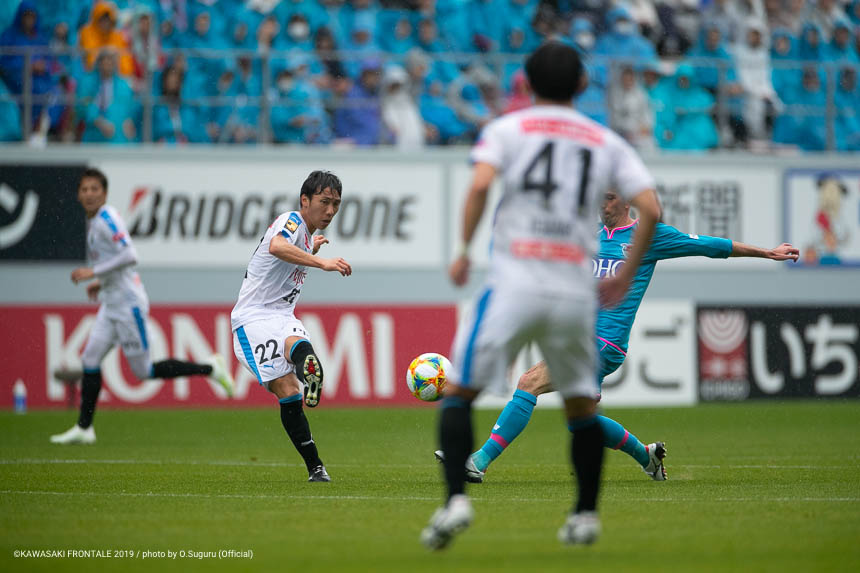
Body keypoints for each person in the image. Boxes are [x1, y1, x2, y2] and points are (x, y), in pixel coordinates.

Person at [420, 41, 662, 550]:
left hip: (515, 281)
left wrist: (462, 250)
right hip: (573, 292)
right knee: (581, 408)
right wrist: (625, 274)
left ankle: (457, 499)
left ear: (526, 84)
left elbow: (480, 186)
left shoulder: (507, 130)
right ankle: (585, 516)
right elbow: (652, 209)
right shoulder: (605, 141)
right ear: (582, 85)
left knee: (459, 392)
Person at [455, 190, 800, 484]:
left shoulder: (648, 236)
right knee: (582, 422)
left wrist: (766, 252)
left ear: (626, 202)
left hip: (605, 341)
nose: (601, 204)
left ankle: (478, 461)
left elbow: (710, 246)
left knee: (529, 382)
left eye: (608, 198)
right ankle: (647, 456)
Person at [50, 168, 235, 445]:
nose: (89, 194)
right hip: (110, 303)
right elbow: (117, 262)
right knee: (90, 359)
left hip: (128, 305)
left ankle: (210, 368)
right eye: (84, 189)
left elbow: (130, 255)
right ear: (78, 194)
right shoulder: (94, 222)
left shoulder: (107, 219)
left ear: (104, 193)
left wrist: (93, 272)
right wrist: (101, 282)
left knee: (144, 371)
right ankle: (84, 428)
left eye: (94, 189)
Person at [230, 171, 352, 482]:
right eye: (324, 202)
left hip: (282, 315)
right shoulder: (292, 220)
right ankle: (315, 465)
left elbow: (286, 255)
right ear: (304, 200)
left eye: (336, 204)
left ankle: (307, 370)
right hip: (253, 319)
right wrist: (321, 262)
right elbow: (276, 246)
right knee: (287, 389)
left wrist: (310, 251)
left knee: (297, 349)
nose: (330, 211)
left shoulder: (306, 235)